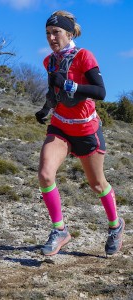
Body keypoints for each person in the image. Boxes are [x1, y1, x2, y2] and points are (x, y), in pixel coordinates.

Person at [35, 10, 125, 256]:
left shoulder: (84, 56)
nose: (52, 38)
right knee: (45, 174)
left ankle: (116, 226)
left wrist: (70, 85)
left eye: (56, 32)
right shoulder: (49, 61)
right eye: (48, 33)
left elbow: (100, 92)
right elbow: (54, 93)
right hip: (61, 125)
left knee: (97, 184)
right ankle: (59, 230)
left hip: (86, 128)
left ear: (69, 33)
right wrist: (45, 109)